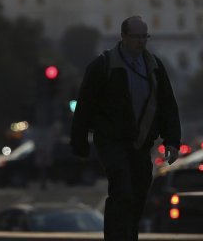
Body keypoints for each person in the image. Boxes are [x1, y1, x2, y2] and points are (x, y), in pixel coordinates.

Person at [70, 15, 181, 240]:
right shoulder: (103, 66)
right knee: (122, 188)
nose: (141, 41)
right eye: (136, 37)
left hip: (141, 142)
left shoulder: (154, 66)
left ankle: (128, 235)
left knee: (139, 191)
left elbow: (167, 104)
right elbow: (84, 106)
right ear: (123, 37)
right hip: (111, 141)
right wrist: (79, 142)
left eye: (144, 36)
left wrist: (172, 141)